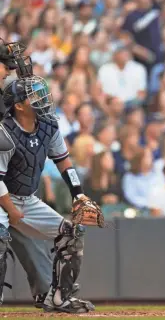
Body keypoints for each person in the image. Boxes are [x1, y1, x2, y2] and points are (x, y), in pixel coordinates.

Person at [0, 75, 100, 313]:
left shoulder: (49, 125)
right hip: (4, 197)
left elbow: (63, 161)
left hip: (27, 199)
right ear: (19, 105)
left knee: (73, 234)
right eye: (33, 95)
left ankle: (59, 299)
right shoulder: (4, 132)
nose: (41, 98)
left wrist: (79, 195)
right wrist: (11, 211)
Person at [0, 41, 78, 309]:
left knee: (46, 272)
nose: (9, 71)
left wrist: (23, 85)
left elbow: (20, 105)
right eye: (6, 68)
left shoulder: (25, 108)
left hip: (17, 190)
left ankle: (51, 295)